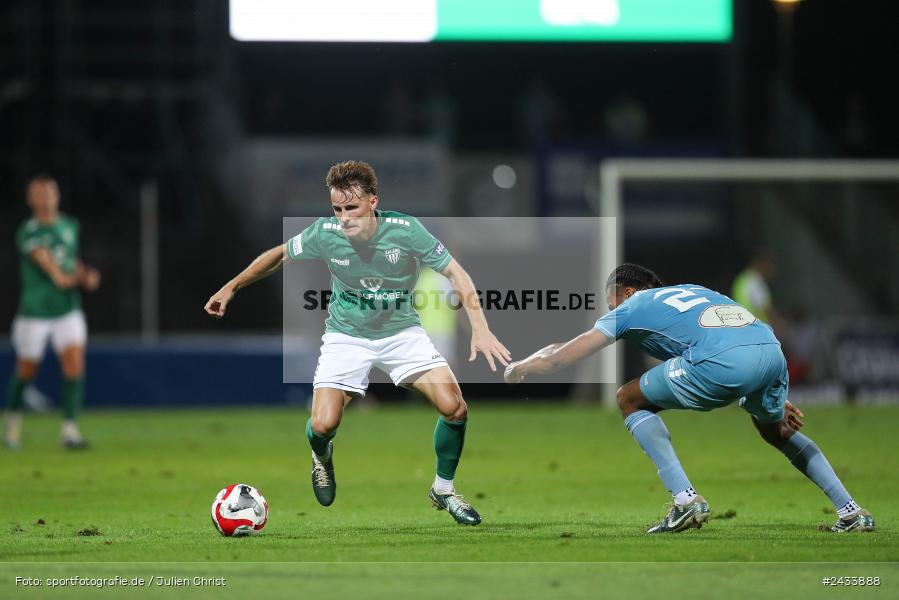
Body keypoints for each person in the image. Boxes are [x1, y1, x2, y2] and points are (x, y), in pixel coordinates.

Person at [204, 160, 510, 525]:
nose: (344, 217)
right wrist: (232, 286)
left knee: (455, 407)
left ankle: (443, 489)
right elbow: (279, 255)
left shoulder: (407, 231)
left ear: (373, 202)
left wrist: (480, 326)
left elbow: (455, 272)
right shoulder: (324, 233)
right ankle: (321, 457)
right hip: (346, 337)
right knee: (322, 426)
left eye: (352, 208)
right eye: (337, 209)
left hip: (401, 333)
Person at [504, 263, 875, 534]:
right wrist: (766, 394)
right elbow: (735, 335)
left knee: (629, 398)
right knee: (774, 429)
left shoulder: (634, 306)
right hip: (770, 352)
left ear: (629, 293)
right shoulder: (695, 290)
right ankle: (852, 511)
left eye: (612, 301)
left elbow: (563, 354)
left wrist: (523, 367)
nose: (610, 310)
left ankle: (686, 501)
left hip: (726, 362)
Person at [4, 174, 101, 450]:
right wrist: (69, 278)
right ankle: (11, 428)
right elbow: (52, 269)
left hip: (67, 310)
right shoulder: (29, 231)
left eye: (51, 191)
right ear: (31, 199)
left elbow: (71, 262)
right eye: (40, 192)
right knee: (26, 371)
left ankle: (69, 431)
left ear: (57, 195)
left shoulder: (70, 226)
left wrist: (86, 275)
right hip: (35, 313)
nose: (46, 196)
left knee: (74, 368)